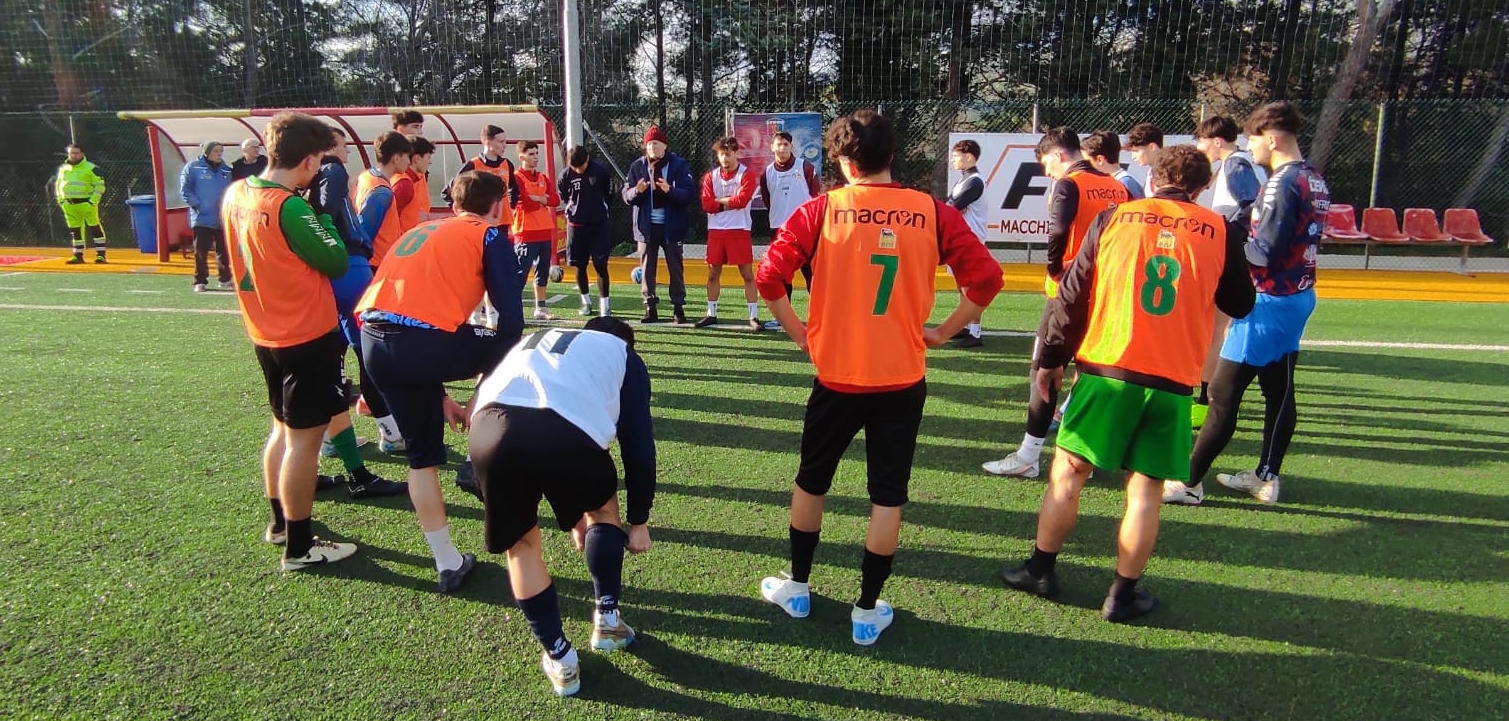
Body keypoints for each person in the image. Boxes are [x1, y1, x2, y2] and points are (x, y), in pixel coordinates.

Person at [755, 109, 1005, 646]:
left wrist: (801, 335)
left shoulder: (822, 209)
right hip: (901, 377)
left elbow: (768, 276)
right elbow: (987, 279)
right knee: (887, 495)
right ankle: (867, 611)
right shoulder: (932, 211)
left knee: (811, 479)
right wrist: (942, 332)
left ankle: (798, 588)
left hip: (837, 375)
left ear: (844, 162)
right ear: (893, 155)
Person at [997, 145, 1256, 623]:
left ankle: (1040, 569)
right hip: (1174, 379)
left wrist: (1051, 359)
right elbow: (1241, 303)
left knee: (1068, 474)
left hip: (1107, 367)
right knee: (1145, 491)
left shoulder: (1116, 217)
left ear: (1153, 179)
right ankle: (1121, 595)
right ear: (1201, 188)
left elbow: (1071, 295)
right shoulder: (1219, 230)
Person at [355, 170, 526, 591]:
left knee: (421, 458)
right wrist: (480, 399)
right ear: (497, 206)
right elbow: (511, 322)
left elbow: (407, 315)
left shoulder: (423, 229)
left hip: (373, 341)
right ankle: (475, 461)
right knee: (512, 350)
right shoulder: (487, 234)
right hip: (420, 344)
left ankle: (447, 562)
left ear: (453, 205)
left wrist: (440, 394)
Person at [468, 316, 656, 696]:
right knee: (603, 510)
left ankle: (560, 657)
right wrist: (638, 522)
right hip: (563, 431)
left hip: (488, 429)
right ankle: (607, 619)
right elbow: (638, 449)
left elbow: (502, 402)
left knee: (521, 547)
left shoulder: (538, 338)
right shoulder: (623, 355)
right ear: (626, 342)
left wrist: (571, 513)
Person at [1172, 101, 1330, 507]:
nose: (1250, 148)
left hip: (1268, 300)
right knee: (1279, 389)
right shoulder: (1314, 177)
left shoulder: (1281, 183)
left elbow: (1264, 252)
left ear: (1272, 139)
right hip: (1297, 295)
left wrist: (1222, 242)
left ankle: (1189, 481)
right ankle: (1266, 476)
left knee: (1223, 393)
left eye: (1254, 139)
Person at [221, 111, 355, 571]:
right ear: (309, 160)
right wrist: (328, 222)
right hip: (305, 334)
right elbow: (336, 260)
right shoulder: (290, 205)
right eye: (319, 159)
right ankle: (299, 545)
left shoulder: (236, 193)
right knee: (305, 441)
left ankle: (279, 521)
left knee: (281, 428)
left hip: (265, 332)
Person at [982, 127, 1129, 479]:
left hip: (1069, 294)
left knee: (1045, 373)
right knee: (1089, 372)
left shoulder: (1069, 183)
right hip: (1106, 293)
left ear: (1059, 155)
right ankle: (1082, 455)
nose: (1047, 173)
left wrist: (1054, 270)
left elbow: (1058, 232)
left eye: (1046, 164)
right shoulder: (1119, 187)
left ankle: (1028, 456)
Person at [308, 127, 409, 491]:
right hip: (354, 269)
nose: (348, 150)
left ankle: (331, 440)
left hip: (348, 269)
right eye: (343, 143)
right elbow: (332, 213)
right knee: (368, 349)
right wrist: (342, 246)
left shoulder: (362, 179)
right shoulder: (337, 172)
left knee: (338, 353)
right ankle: (389, 430)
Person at [1192, 116, 1268, 425]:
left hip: (1229, 254)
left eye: (1202, 141)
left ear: (1217, 141)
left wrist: (1226, 234)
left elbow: (1250, 201)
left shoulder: (1235, 164)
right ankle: (1205, 398)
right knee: (1215, 328)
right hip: (1234, 251)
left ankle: (1202, 401)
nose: (1199, 147)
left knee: (1213, 329)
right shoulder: (1238, 163)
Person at [622, 125, 696, 324]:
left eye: (656, 143)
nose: (652, 147)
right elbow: (626, 196)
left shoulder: (679, 165)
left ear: (665, 145)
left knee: (675, 267)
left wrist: (670, 190)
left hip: (672, 226)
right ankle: (650, 307)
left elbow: (689, 194)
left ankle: (678, 307)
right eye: (649, 143)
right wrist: (637, 191)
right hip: (646, 228)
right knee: (647, 268)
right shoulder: (637, 166)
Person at [695, 136, 763, 331]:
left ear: (736, 153)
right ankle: (711, 313)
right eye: (722, 154)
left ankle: (753, 316)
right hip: (716, 231)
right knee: (713, 274)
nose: (725, 158)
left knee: (747, 274)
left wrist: (719, 201)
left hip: (739, 229)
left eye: (729, 154)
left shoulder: (746, 174)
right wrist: (727, 202)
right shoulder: (711, 176)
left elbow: (742, 200)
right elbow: (707, 205)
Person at [760, 130, 821, 307]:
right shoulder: (767, 173)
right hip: (779, 230)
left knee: (811, 273)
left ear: (791, 146)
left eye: (786, 144)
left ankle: (817, 315)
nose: (782, 148)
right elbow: (767, 200)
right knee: (782, 273)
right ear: (772, 147)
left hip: (805, 230)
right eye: (778, 144)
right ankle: (783, 317)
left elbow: (815, 197)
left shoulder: (805, 168)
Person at [558, 145, 615, 318]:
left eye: (580, 167)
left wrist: (601, 208)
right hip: (576, 227)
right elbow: (564, 195)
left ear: (587, 159)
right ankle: (586, 302)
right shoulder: (566, 175)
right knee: (579, 265)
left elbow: (610, 193)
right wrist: (574, 210)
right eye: (574, 167)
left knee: (600, 265)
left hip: (598, 226)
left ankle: (605, 304)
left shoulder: (600, 172)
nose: (578, 170)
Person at [512, 140, 563, 320]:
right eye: (531, 154)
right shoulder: (517, 177)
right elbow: (525, 203)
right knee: (520, 273)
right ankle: (513, 309)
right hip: (525, 232)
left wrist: (538, 198)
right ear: (521, 157)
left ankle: (540, 309)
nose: (535, 157)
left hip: (544, 231)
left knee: (542, 272)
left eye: (536, 153)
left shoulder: (542, 177)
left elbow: (556, 200)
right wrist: (543, 199)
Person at [946, 138, 988, 348]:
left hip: (970, 240)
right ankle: (968, 326)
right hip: (962, 238)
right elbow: (951, 204)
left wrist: (951, 208)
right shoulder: (965, 179)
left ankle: (976, 332)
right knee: (962, 285)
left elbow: (953, 206)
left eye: (956, 156)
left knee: (970, 287)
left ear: (969, 157)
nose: (953, 159)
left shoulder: (974, 181)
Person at [179, 141, 234, 292]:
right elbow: (185, 189)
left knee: (224, 250)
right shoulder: (193, 167)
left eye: (221, 151)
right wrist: (197, 205)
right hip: (202, 217)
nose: (219, 154)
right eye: (216, 151)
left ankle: (225, 279)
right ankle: (200, 281)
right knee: (201, 251)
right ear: (207, 152)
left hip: (222, 217)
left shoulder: (226, 170)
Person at [356, 132, 413, 268]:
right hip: (377, 263)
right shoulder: (382, 192)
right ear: (396, 158)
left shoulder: (365, 177)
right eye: (407, 157)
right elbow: (365, 231)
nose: (409, 162)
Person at [54, 143, 107, 264]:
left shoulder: (91, 168)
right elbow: (58, 185)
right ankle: (78, 255)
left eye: (76, 153)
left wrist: (92, 202)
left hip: (86, 203)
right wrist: (61, 200)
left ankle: (101, 255)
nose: (73, 155)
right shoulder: (64, 169)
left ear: (82, 154)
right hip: (69, 205)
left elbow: (100, 186)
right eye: (71, 153)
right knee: (75, 231)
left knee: (95, 227)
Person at [1082, 130, 1144, 201]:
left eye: (1087, 161)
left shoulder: (1126, 183)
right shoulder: (1107, 182)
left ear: (1100, 160)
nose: (1084, 165)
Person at [397, 136, 436, 234]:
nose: (430, 161)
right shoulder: (403, 184)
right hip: (404, 242)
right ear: (417, 158)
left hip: (413, 239)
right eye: (428, 157)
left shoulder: (418, 178)